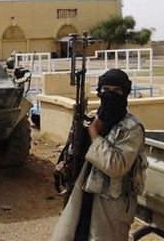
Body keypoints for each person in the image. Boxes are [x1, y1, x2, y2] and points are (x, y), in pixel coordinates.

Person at [51, 69, 148, 241]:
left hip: (110, 204)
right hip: (82, 195)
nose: (110, 95)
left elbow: (116, 166)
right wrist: (66, 166)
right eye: (105, 90)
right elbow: (79, 156)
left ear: (124, 93)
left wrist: (94, 132)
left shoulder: (132, 128)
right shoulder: (93, 119)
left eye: (116, 91)